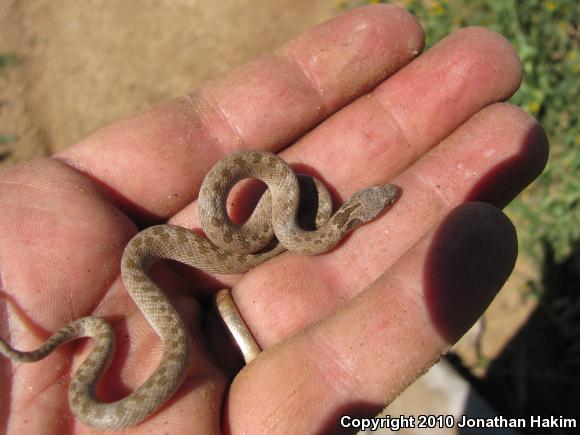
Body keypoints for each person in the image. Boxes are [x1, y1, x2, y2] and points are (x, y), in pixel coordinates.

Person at [0, 4, 547, 434]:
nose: (377, 200)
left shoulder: (300, 197)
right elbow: (266, 227)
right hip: (230, 237)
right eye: (375, 201)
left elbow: (292, 215)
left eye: (373, 201)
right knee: (227, 242)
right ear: (365, 211)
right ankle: (89, 332)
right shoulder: (293, 209)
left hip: (276, 225)